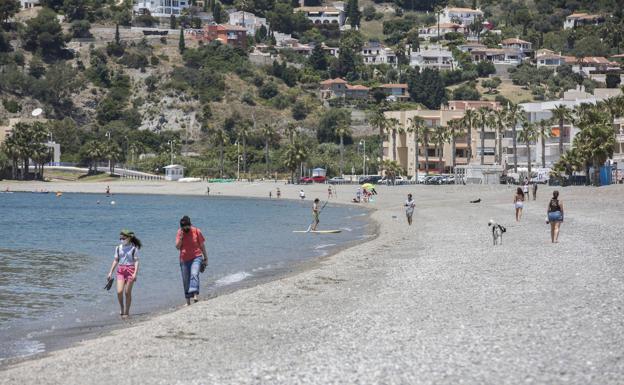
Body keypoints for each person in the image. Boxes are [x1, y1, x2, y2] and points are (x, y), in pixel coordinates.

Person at [107, 229, 141, 318]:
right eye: (121, 238)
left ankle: (127, 311)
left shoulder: (134, 248)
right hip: (120, 270)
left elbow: (136, 261)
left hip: (130, 270)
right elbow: (115, 260)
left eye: (124, 237)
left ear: (129, 238)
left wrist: (135, 274)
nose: (122, 239)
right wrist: (110, 272)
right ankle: (122, 307)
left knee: (127, 292)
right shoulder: (118, 248)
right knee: (119, 292)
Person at [175, 216, 208, 305]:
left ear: (190, 225)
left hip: (196, 257)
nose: (185, 228)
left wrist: (206, 258)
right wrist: (181, 238)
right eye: (183, 227)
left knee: (194, 274)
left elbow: (202, 246)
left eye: (186, 226)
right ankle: (188, 302)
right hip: (184, 259)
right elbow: (177, 247)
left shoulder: (197, 231)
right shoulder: (179, 232)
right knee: (186, 280)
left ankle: (195, 296)